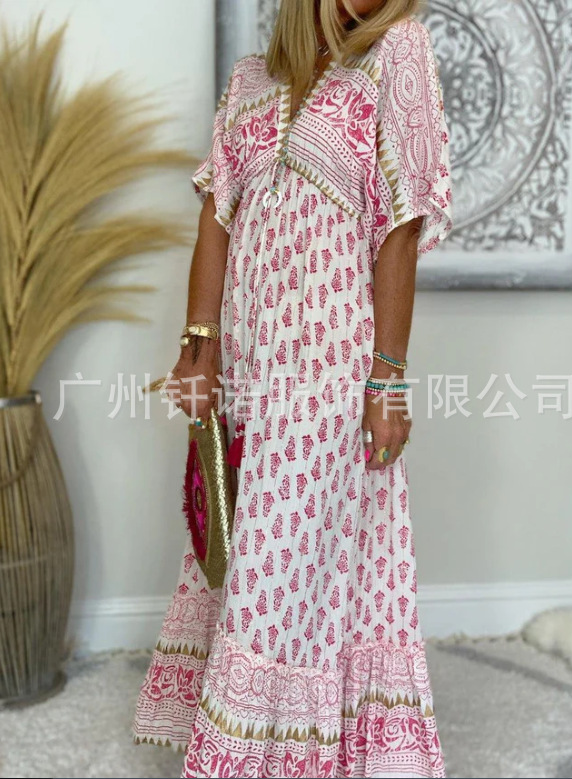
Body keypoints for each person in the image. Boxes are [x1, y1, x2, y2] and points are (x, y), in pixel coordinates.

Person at [133, 0, 452, 776]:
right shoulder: (250, 81)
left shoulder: (396, 54)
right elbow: (216, 216)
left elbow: (401, 225)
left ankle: (262, 756)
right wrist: (198, 347)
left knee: (280, 565)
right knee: (245, 545)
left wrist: (387, 379)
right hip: (249, 360)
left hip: (326, 365)